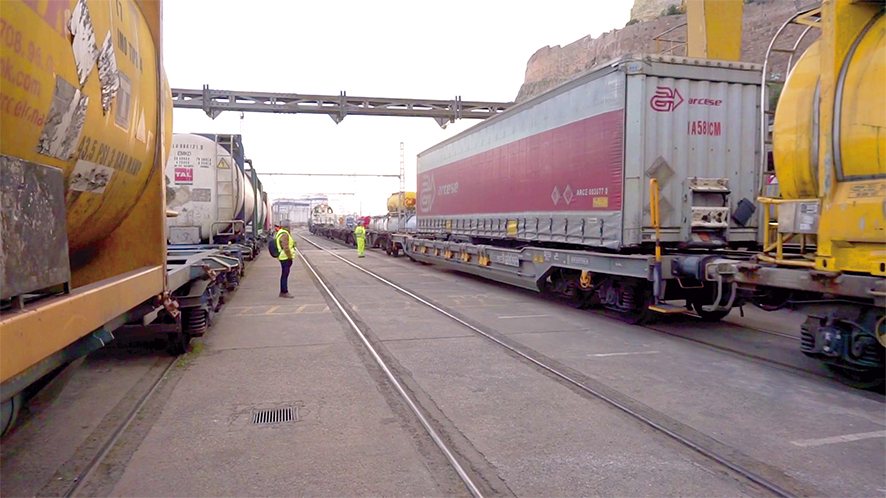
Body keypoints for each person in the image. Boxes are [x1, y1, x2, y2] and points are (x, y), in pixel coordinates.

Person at [275, 220, 296, 298]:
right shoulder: (284, 234)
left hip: (283, 257)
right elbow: (285, 247)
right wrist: (290, 256)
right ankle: (284, 292)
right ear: (287, 226)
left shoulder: (281, 232)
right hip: (285, 258)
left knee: (284, 274)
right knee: (285, 275)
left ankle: (283, 291)